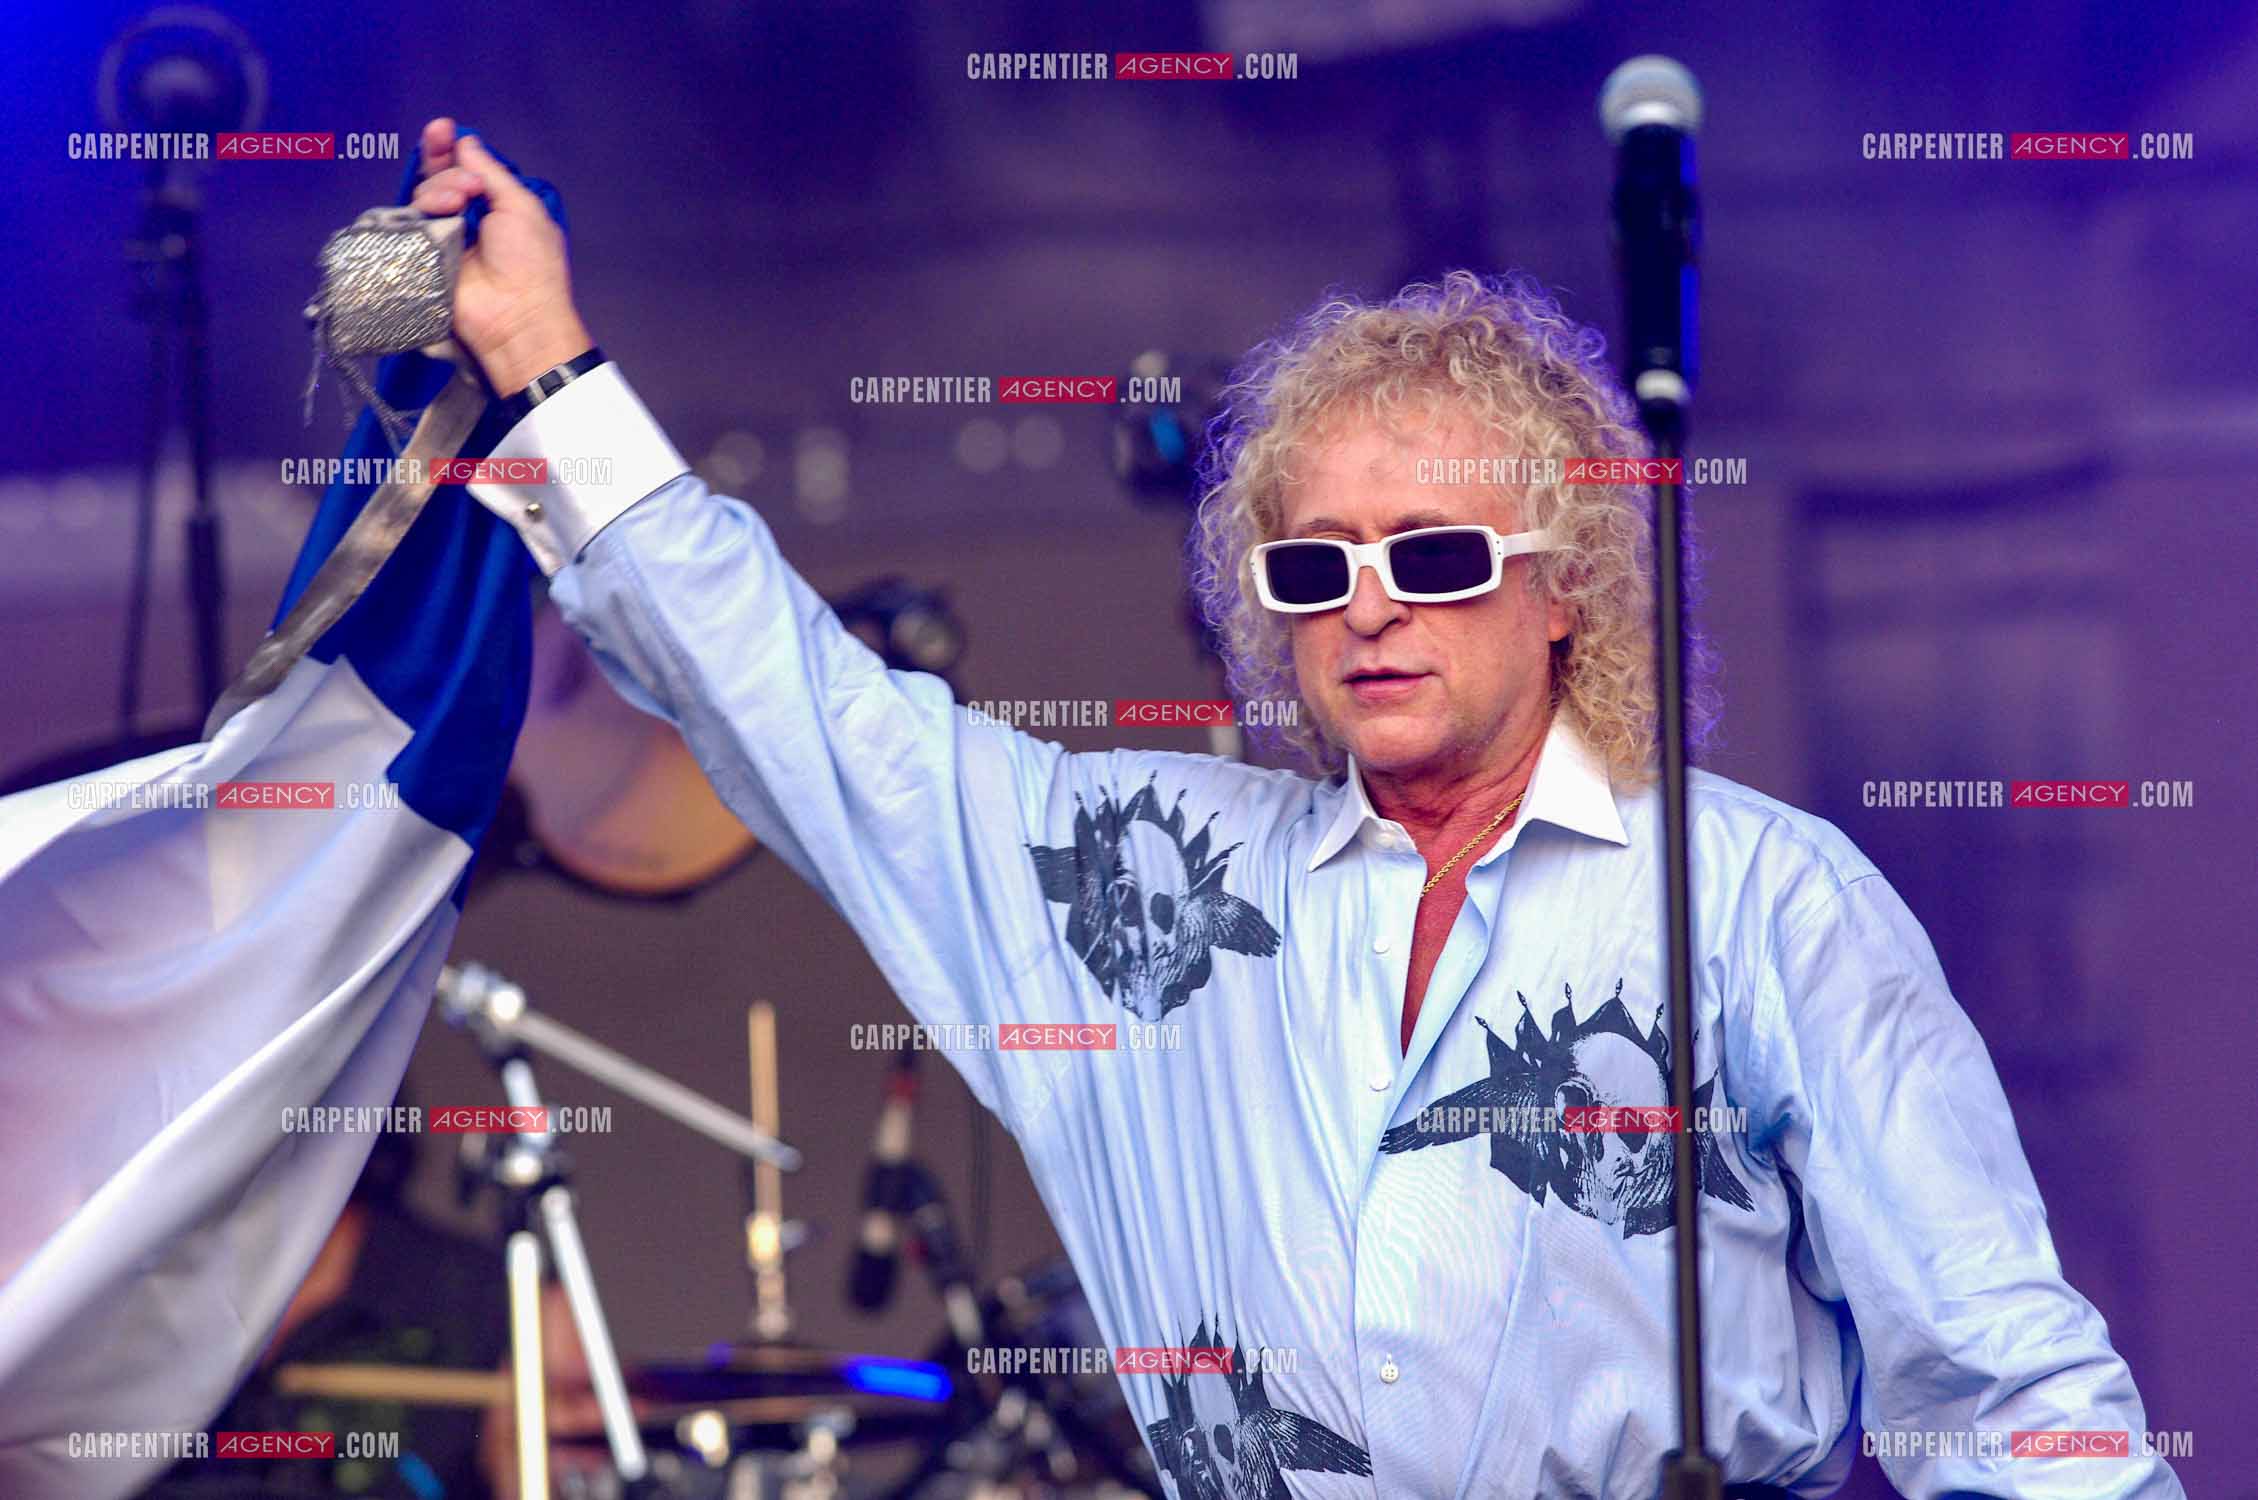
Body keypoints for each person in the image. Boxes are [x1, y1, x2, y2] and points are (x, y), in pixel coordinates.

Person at [406, 118, 2181, 1498]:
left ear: (1569, 586)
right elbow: (802, 708)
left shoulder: (1758, 900)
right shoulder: (1134, 890)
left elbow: (2000, 1377)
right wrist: (552, 364)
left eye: (1429, 552)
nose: (1369, 603)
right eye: (1312, 562)